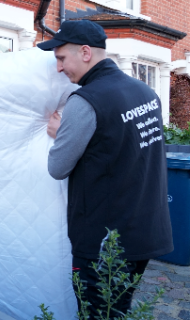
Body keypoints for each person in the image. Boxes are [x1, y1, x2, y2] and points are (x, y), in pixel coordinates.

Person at [38, 20, 173, 318]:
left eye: (61, 58)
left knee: (97, 312)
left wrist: (61, 133)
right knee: (118, 308)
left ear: (85, 52)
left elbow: (57, 167)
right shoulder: (146, 93)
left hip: (105, 242)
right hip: (144, 232)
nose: (59, 68)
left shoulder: (86, 101)